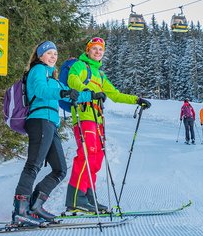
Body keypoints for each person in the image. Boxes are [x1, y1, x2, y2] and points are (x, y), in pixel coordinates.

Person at [65, 36, 151, 212]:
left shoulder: (100, 74)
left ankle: (89, 196)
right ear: (88, 50)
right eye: (94, 48)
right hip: (84, 115)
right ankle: (75, 198)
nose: (97, 52)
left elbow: (115, 95)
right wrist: (88, 91)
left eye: (100, 50)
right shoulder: (80, 66)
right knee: (86, 155)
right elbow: (73, 80)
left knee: (96, 159)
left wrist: (137, 100)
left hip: (98, 120)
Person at [12, 41, 92, 226]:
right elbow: (41, 90)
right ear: (40, 56)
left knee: (60, 169)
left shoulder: (52, 78)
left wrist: (92, 96)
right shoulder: (38, 70)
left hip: (50, 123)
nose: (53, 56)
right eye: (49, 53)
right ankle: (20, 210)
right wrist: (63, 92)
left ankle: (35, 206)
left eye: (55, 54)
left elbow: (70, 94)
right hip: (39, 120)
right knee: (33, 165)